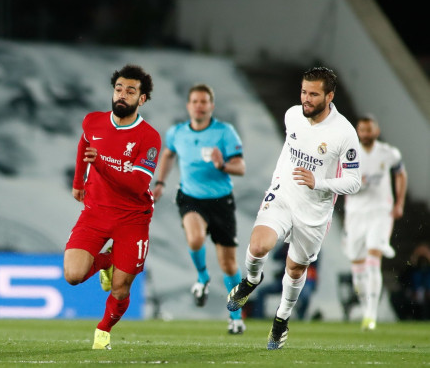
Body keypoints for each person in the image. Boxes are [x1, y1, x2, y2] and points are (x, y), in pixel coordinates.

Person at [225, 66, 361, 350]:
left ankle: (280, 322)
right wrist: (279, 182)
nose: (306, 99)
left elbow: (353, 182)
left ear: (330, 96)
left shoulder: (344, 133)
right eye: (303, 92)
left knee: (295, 270)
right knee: (259, 246)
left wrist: (319, 182)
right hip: (284, 196)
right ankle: (250, 282)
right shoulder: (292, 115)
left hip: (314, 211)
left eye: (313, 94)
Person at [64, 64, 160, 350]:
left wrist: (101, 165)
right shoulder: (93, 121)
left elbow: (136, 186)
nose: (122, 95)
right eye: (119, 89)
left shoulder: (149, 137)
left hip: (132, 217)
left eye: (130, 91)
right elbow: (85, 145)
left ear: (141, 99)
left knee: (120, 288)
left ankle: (103, 329)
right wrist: (78, 180)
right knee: (73, 275)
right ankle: (108, 260)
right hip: (96, 211)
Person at [153, 84, 247, 334]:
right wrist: (161, 182)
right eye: (195, 101)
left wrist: (223, 165)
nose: (199, 105)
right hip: (190, 198)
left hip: (221, 201)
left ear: (211, 106)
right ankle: (203, 276)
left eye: (204, 101)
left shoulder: (225, 132)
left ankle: (236, 317)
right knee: (195, 238)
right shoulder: (177, 133)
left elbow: (241, 167)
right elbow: (168, 154)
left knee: (228, 265)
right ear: (188, 106)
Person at [343, 114, 407, 330]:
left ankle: (371, 314)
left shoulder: (388, 153)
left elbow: (401, 174)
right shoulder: (349, 153)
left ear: (376, 131)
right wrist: (354, 183)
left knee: (373, 259)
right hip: (355, 215)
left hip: (380, 212)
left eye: (369, 130)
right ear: (357, 131)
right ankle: (365, 308)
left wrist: (399, 203)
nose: (366, 134)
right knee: (357, 267)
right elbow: (339, 181)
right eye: (362, 130)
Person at [246, 242, 318, 320]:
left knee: (305, 296)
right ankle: (259, 317)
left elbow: (312, 266)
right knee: (261, 291)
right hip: (285, 280)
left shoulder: (312, 246)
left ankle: (301, 318)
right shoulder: (288, 245)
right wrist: (284, 247)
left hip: (304, 281)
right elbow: (275, 257)